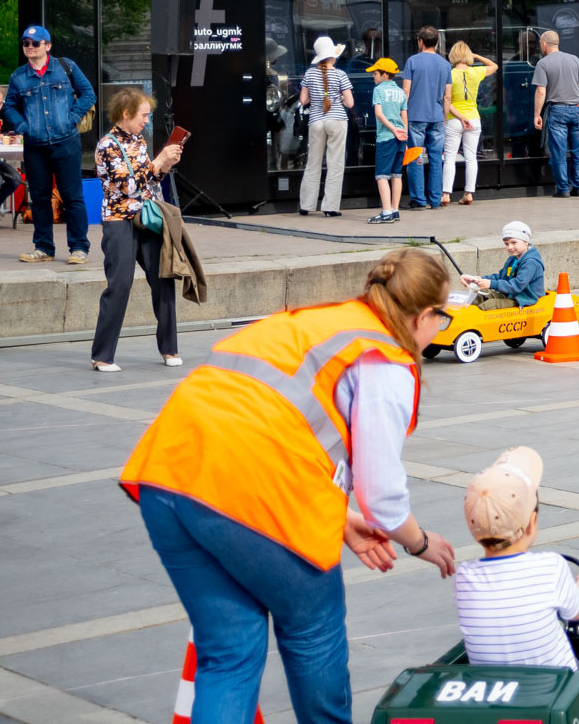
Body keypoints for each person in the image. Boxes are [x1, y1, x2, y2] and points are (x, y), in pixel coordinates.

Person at [119, 249, 460, 723]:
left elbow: (276, 415)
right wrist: (419, 542)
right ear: (424, 315)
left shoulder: (319, 322)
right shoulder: (384, 356)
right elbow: (381, 493)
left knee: (229, 654)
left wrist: (339, 517)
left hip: (168, 476)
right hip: (253, 490)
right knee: (313, 630)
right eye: (443, 318)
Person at [455, 447, 579, 669]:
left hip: (491, 685)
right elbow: (577, 612)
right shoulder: (551, 566)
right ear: (532, 522)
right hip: (555, 683)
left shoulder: (464, 576)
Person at [89, 91, 185, 372]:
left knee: (163, 280)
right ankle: (102, 355)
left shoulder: (139, 140)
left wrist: (165, 165)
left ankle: (169, 348)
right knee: (119, 284)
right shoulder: (108, 144)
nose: (146, 120)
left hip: (147, 217)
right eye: (143, 115)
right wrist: (159, 160)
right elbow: (128, 186)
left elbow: (148, 181)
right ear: (126, 113)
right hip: (119, 220)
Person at [4, 24, 95, 265]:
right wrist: (23, 127)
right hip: (35, 146)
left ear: (48, 46)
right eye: (26, 43)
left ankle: (79, 247)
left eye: (36, 43)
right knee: (40, 198)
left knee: (72, 197)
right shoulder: (18, 76)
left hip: (66, 143)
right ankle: (44, 248)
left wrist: (72, 118)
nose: (30, 47)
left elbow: (88, 94)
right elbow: (9, 106)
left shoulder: (66, 67)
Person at [298, 37, 352, 218]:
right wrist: (340, 98)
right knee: (335, 164)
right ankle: (330, 207)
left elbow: (303, 100)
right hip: (336, 119)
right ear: (331, 56)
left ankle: (306, 205)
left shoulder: (309, 74)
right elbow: (350, 103)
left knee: (313, 162)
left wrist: (317, 97)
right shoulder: (341, 75)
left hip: (316, 121)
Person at [531, 30, 579, 199]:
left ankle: (563, 188)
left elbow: (541, 91)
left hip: (558, 110)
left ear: (544, 44)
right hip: (578, 108)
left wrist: (537, 114)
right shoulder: (574, 59)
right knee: (578, 151)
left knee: (559, 151)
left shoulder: (543, 63)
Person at [401, 27, 453, 211]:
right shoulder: (445, 64)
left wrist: (402, 115)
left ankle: (418, 199)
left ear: (420, 41)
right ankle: (435, 199)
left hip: (415, 115)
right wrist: (443, 117)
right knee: (436, 158)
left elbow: (406, 91)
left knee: (415, 157)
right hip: (437, 115)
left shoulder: (412, 61)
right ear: (437, 42)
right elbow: (448, 96)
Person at [441, 42, 497, 207]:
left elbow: (447, 99)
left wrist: (454, 116)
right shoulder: (476, 72)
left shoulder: (449, 74)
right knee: (471, 157)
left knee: (450, 157)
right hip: (473, 118)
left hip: (454, 118)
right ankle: (468, 193)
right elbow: (494, 66)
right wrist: (476, 56)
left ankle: (445, 194)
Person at [458, 221, 546, 311]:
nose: (510, 247)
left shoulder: (531, 263)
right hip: (511, 295)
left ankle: (475, 318)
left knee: (490, 305)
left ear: (526, 241)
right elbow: (501, 276)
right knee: (478, 296)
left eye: (514, 242)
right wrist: (479, 279)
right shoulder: (513, 259)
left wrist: (491, 284)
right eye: (506, 244)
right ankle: (461, 315)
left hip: (525, 298)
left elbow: (517, 286)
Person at [367, 58, 406, 224]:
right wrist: (403, 133)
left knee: (382, 175)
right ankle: (395, 210)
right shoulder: (401, 92)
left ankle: (386, 212)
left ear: (384, 75)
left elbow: (379, 113)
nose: (373, 76)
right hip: (401, 137)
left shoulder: (378, 90)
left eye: (375, 73)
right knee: (397, 174)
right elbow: (404, 115)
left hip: (386, 137)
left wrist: (392, 129)